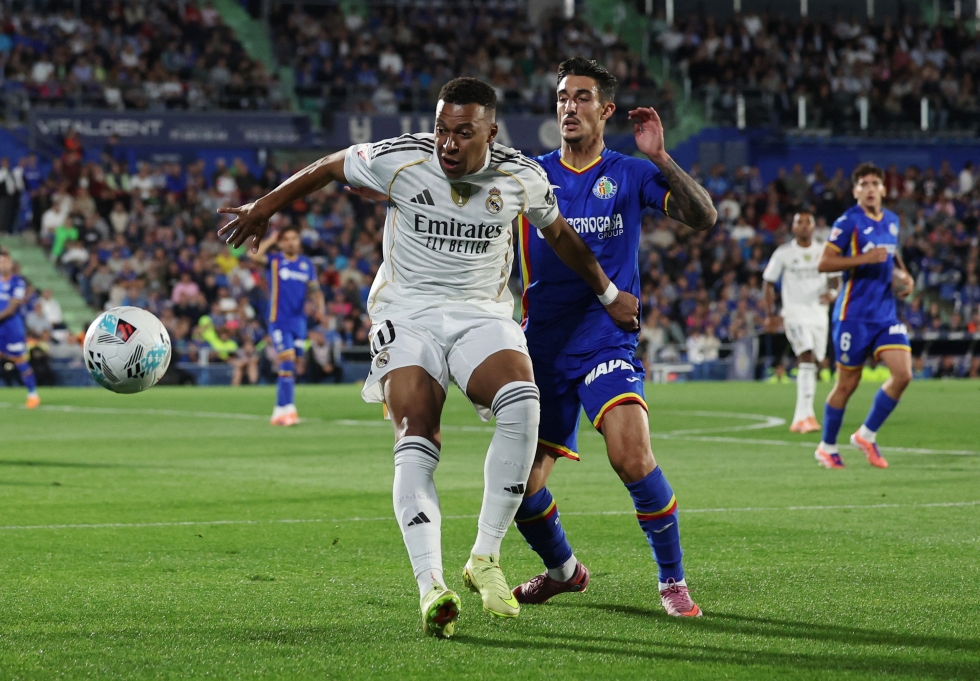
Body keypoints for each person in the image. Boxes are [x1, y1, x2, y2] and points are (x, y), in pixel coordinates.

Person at [218, 77, 639, 638]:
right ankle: (430, 585)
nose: (447, 143)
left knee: (522, 404)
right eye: (442, 129)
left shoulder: (520, 176)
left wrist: (609, 295)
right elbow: (329, 165)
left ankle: (484, 559)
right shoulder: (401, 158)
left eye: (463, 133)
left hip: (480, 314)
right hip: (407, 312)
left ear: (491, 131)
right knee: (419, 432)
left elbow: (559, 235)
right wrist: (263, 207)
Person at [511, 59, 716, 617]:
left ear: (605, 110)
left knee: (630, 454)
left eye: (581, 97)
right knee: (519, 487)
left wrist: (662, 158)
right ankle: (564, 571)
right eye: (561, 97)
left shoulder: (628, 172)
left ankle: (671, 580)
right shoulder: (528, 175)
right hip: (542, 345)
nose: (568, 107)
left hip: (606, 336)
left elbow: (703, 217)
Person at [814, 163, 913, 469]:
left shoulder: (892, 221)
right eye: (863, 184)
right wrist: (864, 259)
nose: (870, 188)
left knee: (903, 374)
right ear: (856, 190)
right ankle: (827, 447)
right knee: (847, 384)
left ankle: (866, 435)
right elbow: (824, 263)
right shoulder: (848, 222)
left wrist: (905, 276)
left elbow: (892, 255)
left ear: (883, 189)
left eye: (874, 183)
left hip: (885, 314)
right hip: (852, 315)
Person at [762, 211, 839, 433]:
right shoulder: (784, 253)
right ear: (793, 227)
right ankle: (806, 417)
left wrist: (832, 294)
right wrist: (770, 315)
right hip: (794, 314)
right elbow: (768, 282)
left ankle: (800, 417)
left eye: (808, 222)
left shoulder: (824, 251)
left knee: (814, 362)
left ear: (814, 227)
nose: (804, 226)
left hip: (818, 316)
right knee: (805, 354)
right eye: (799, 222)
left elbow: (836, 279)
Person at [247, 224, 322, 425]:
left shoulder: (306, 264)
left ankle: (280, 411)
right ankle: (288, 409)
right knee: (287, 361)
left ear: (299, 241)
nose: (291, 242)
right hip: (279, 320)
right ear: (281, 243)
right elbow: (253, 256)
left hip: (300, 323)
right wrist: (271, 240)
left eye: (294, 238)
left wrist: (320, 309)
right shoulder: (276, 261)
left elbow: (315, 289)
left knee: (294, 365)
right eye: (286, 239)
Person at [0, 252, 40, 410]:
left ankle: (33, 394)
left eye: (7, 262)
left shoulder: (17, 283)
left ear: (11, 264)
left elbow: (11, 309)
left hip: (13, 327)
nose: (4, 265)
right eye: (1, 262)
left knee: (20, 361)